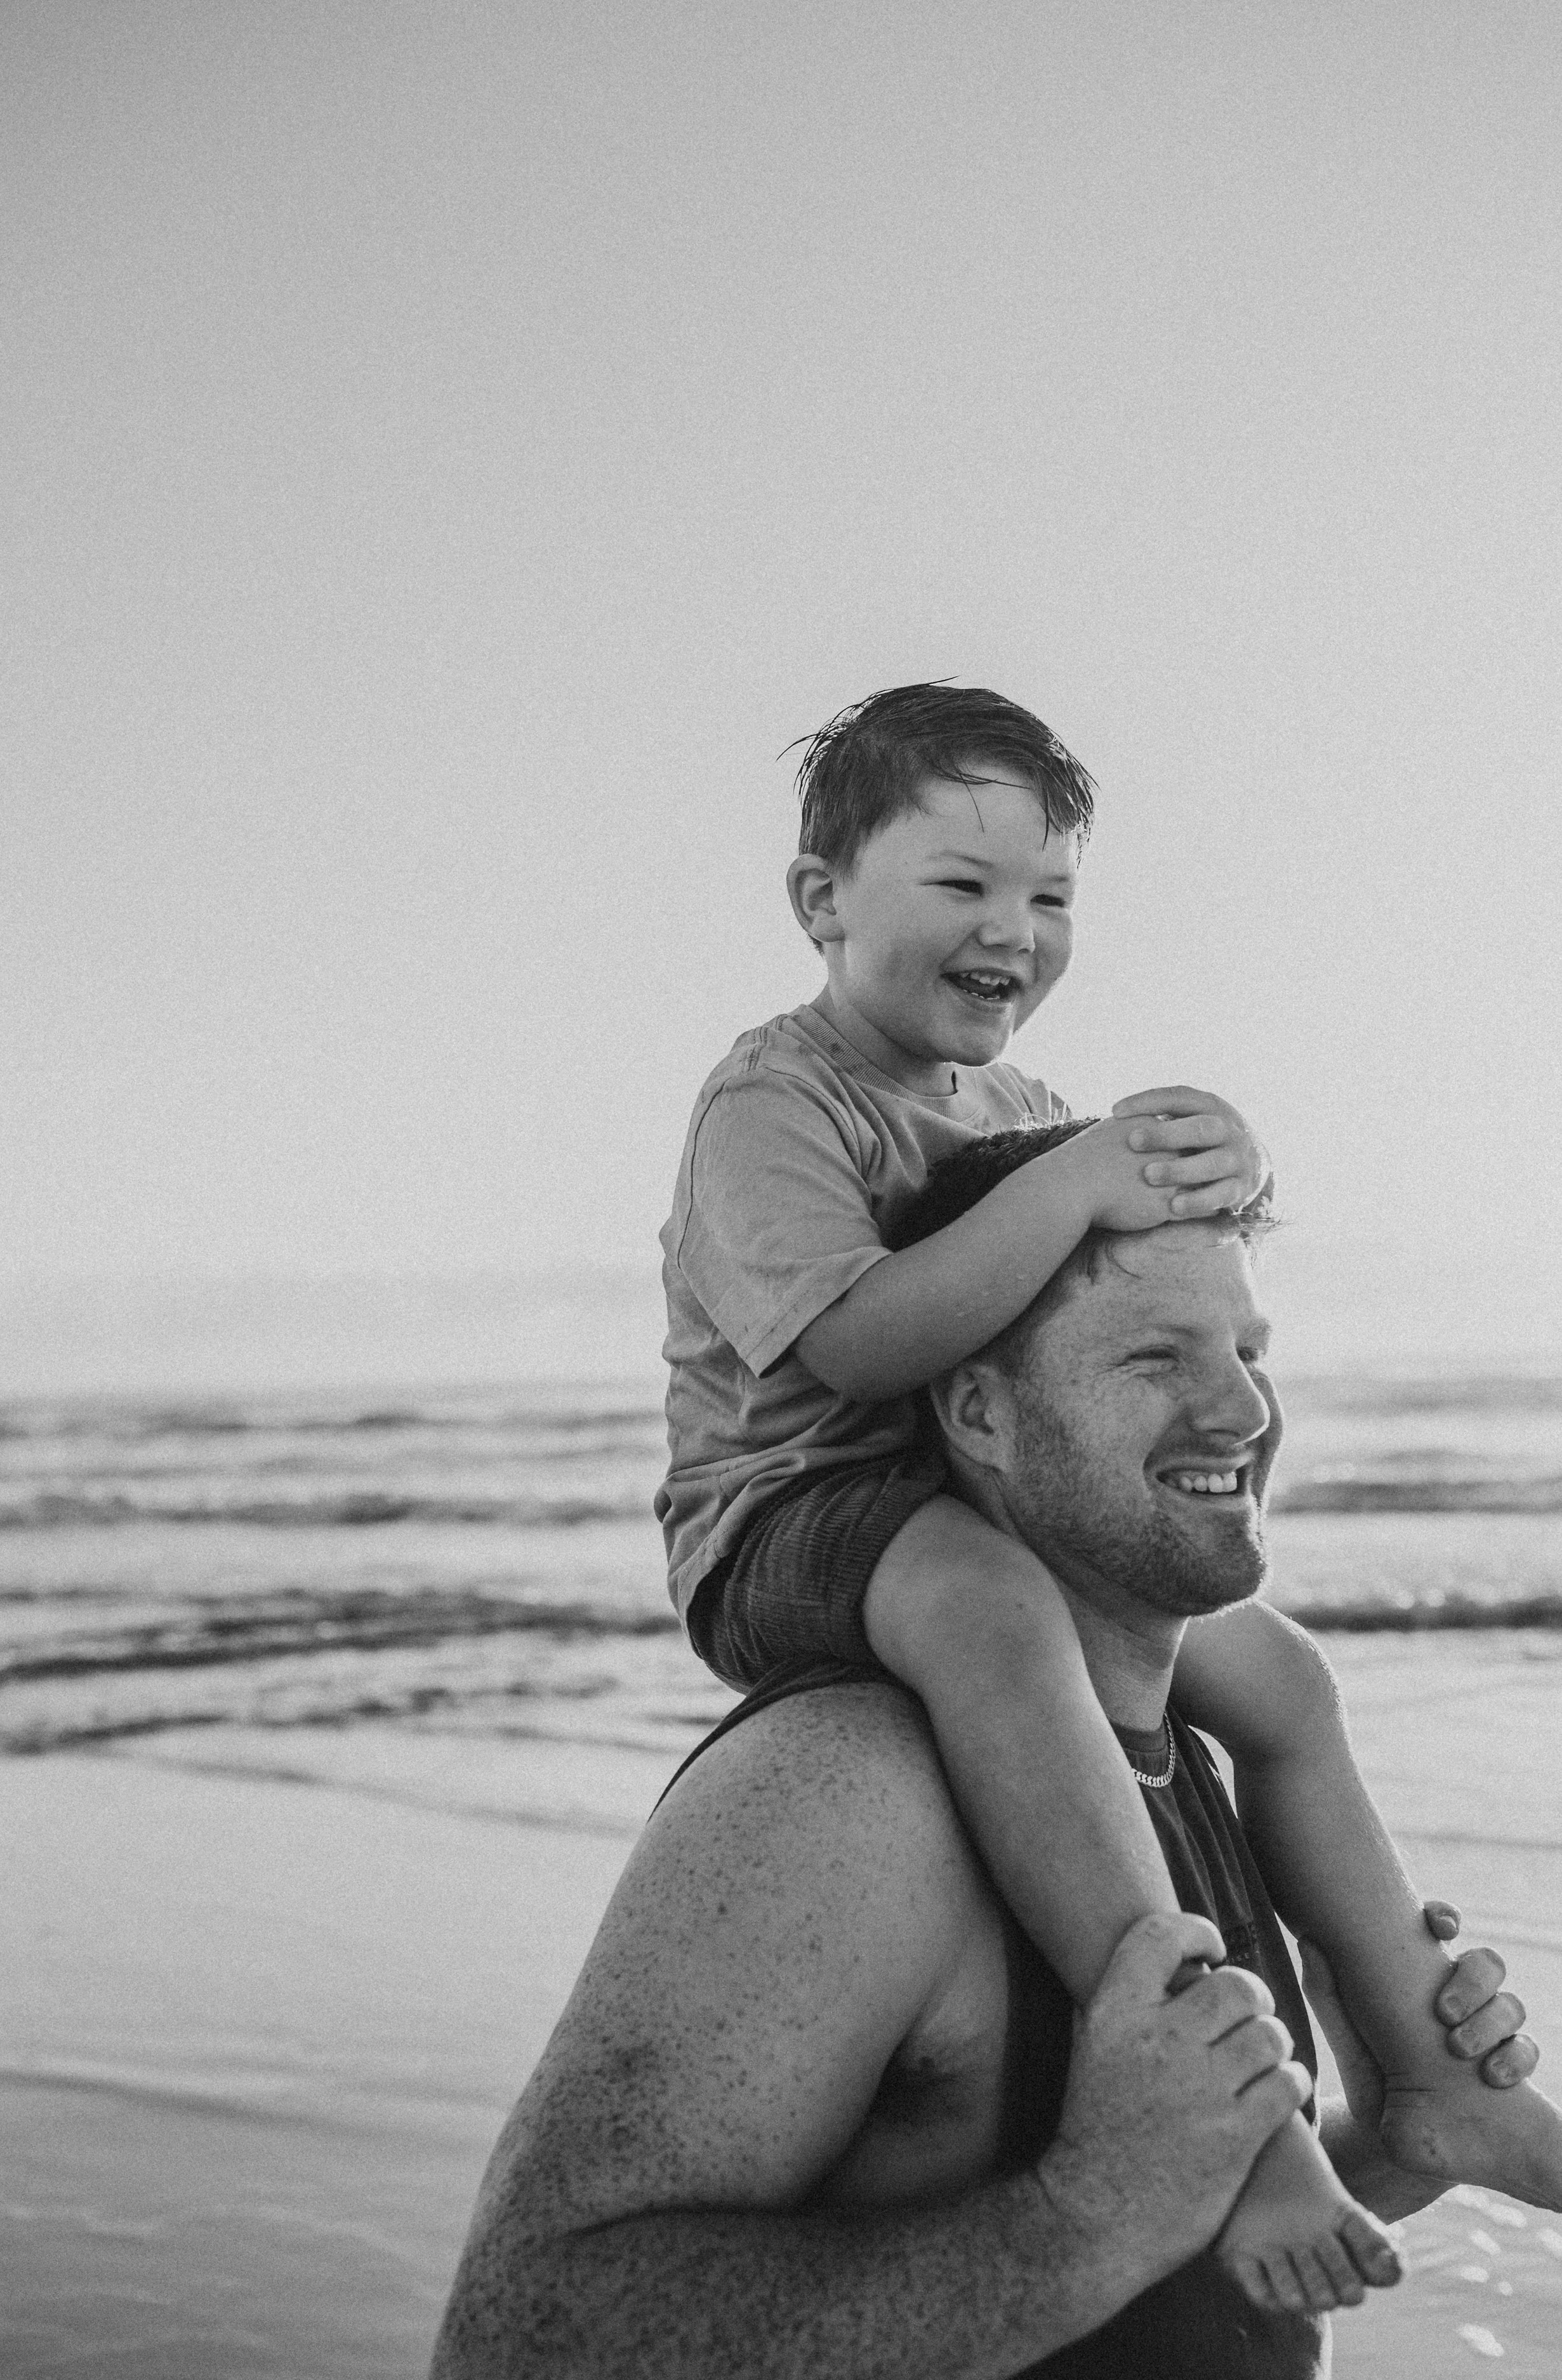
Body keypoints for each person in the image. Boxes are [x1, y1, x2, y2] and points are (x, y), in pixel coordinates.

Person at [654, 682, 1562, 2299]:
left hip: (968, 1511)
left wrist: (1215, 1162)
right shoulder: (769, 1105)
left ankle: (1433, 2083)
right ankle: (1216, 2100)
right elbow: (863, 1347)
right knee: (991, 1605)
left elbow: (1120, 1303)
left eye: (1050, 895)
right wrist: (1081, 1173)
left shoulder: (1011, 1111)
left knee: (1278, 1673)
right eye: (961, 886)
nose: (1014, 927)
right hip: (787, 1517)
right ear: (819, 903)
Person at [433, 1183, 1544, 2377]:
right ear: (980, 1410)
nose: (1243, 1409)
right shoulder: (848, 1792)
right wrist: (1079, 2222)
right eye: (1157, 1359)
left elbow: (1164, 2255)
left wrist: (1381, 2141)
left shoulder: (1205, 1755)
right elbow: (516, 2342)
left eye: (1250, 1350)